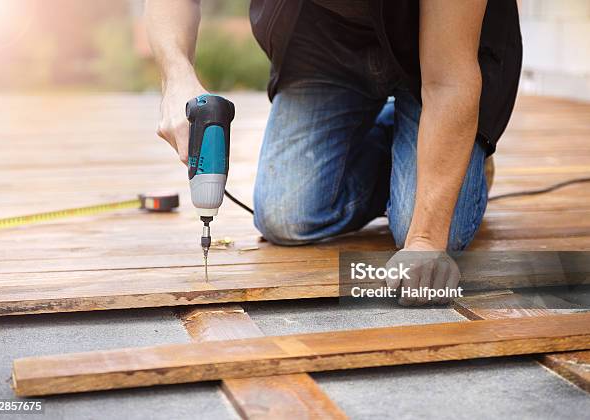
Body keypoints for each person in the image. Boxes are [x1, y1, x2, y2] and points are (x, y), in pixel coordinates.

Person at [145, 0, 522, 306]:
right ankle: (419, 141)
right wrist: (177, 77)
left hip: (444, 49)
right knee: (285, 217)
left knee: (430, 234)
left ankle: (459, 144)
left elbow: (448, 80)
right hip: (322, 41)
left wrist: (425, 241)